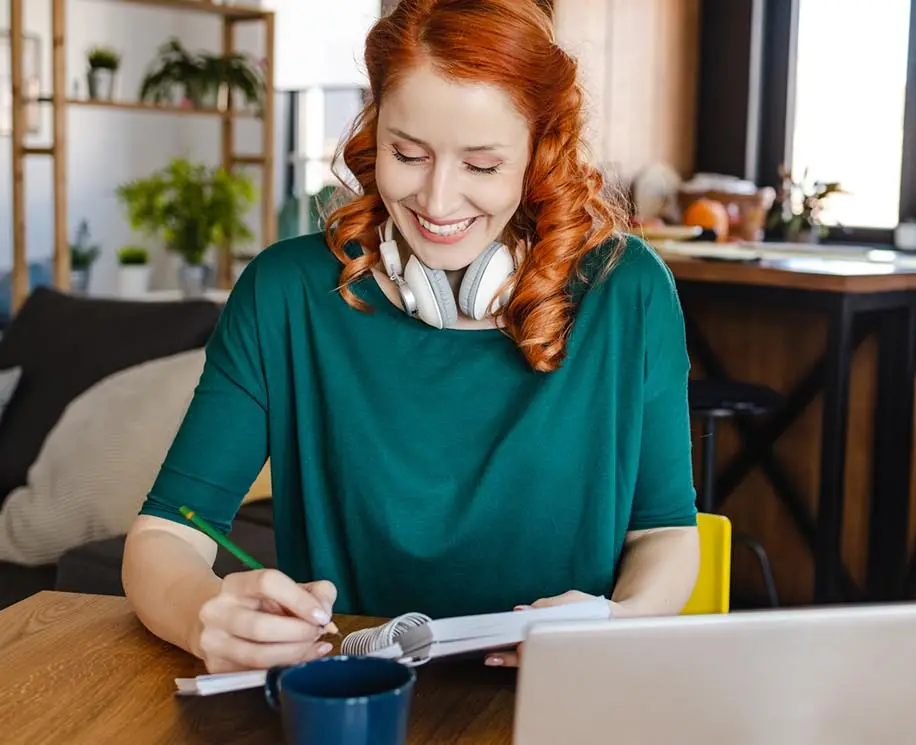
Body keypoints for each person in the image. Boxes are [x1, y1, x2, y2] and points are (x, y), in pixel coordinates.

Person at [121, 0, 700, 675]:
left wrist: (619, 623)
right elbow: (167, 532)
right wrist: (203, 612)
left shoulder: (627, 292)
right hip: (354, 697)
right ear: (373, 132)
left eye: (481, 165)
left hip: (561, 696)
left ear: (539, 153)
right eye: (407, 153)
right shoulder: (286, 293)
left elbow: (663, 533)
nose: (437, 199)